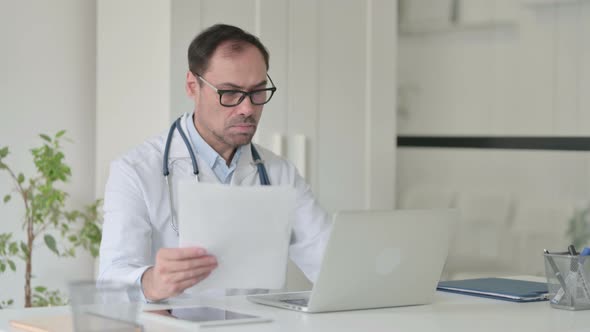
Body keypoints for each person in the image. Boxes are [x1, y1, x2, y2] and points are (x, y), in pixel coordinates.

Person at [98, 24, 331, 302]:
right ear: (192, 86)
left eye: (258, 92)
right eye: (230, 93)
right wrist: (152, 282)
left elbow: (329, 263)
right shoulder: (136, 171)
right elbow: (110, 283)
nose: (248, 109)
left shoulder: (279, 173)